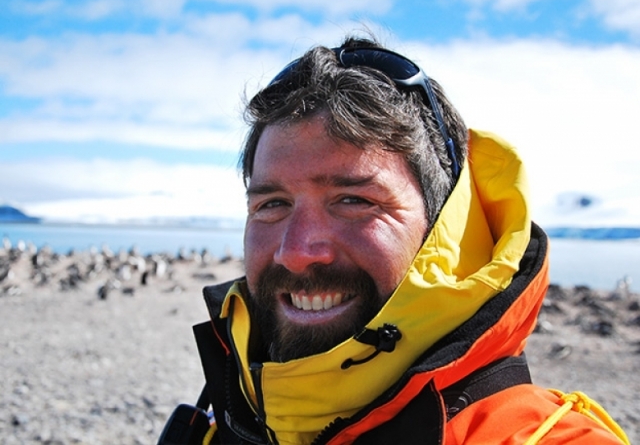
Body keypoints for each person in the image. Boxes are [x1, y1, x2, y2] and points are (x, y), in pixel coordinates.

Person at [158, 37, 629, 444]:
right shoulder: (232, 411)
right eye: (272, 204)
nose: (297, 251)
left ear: (445, 227)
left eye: (354, 200)